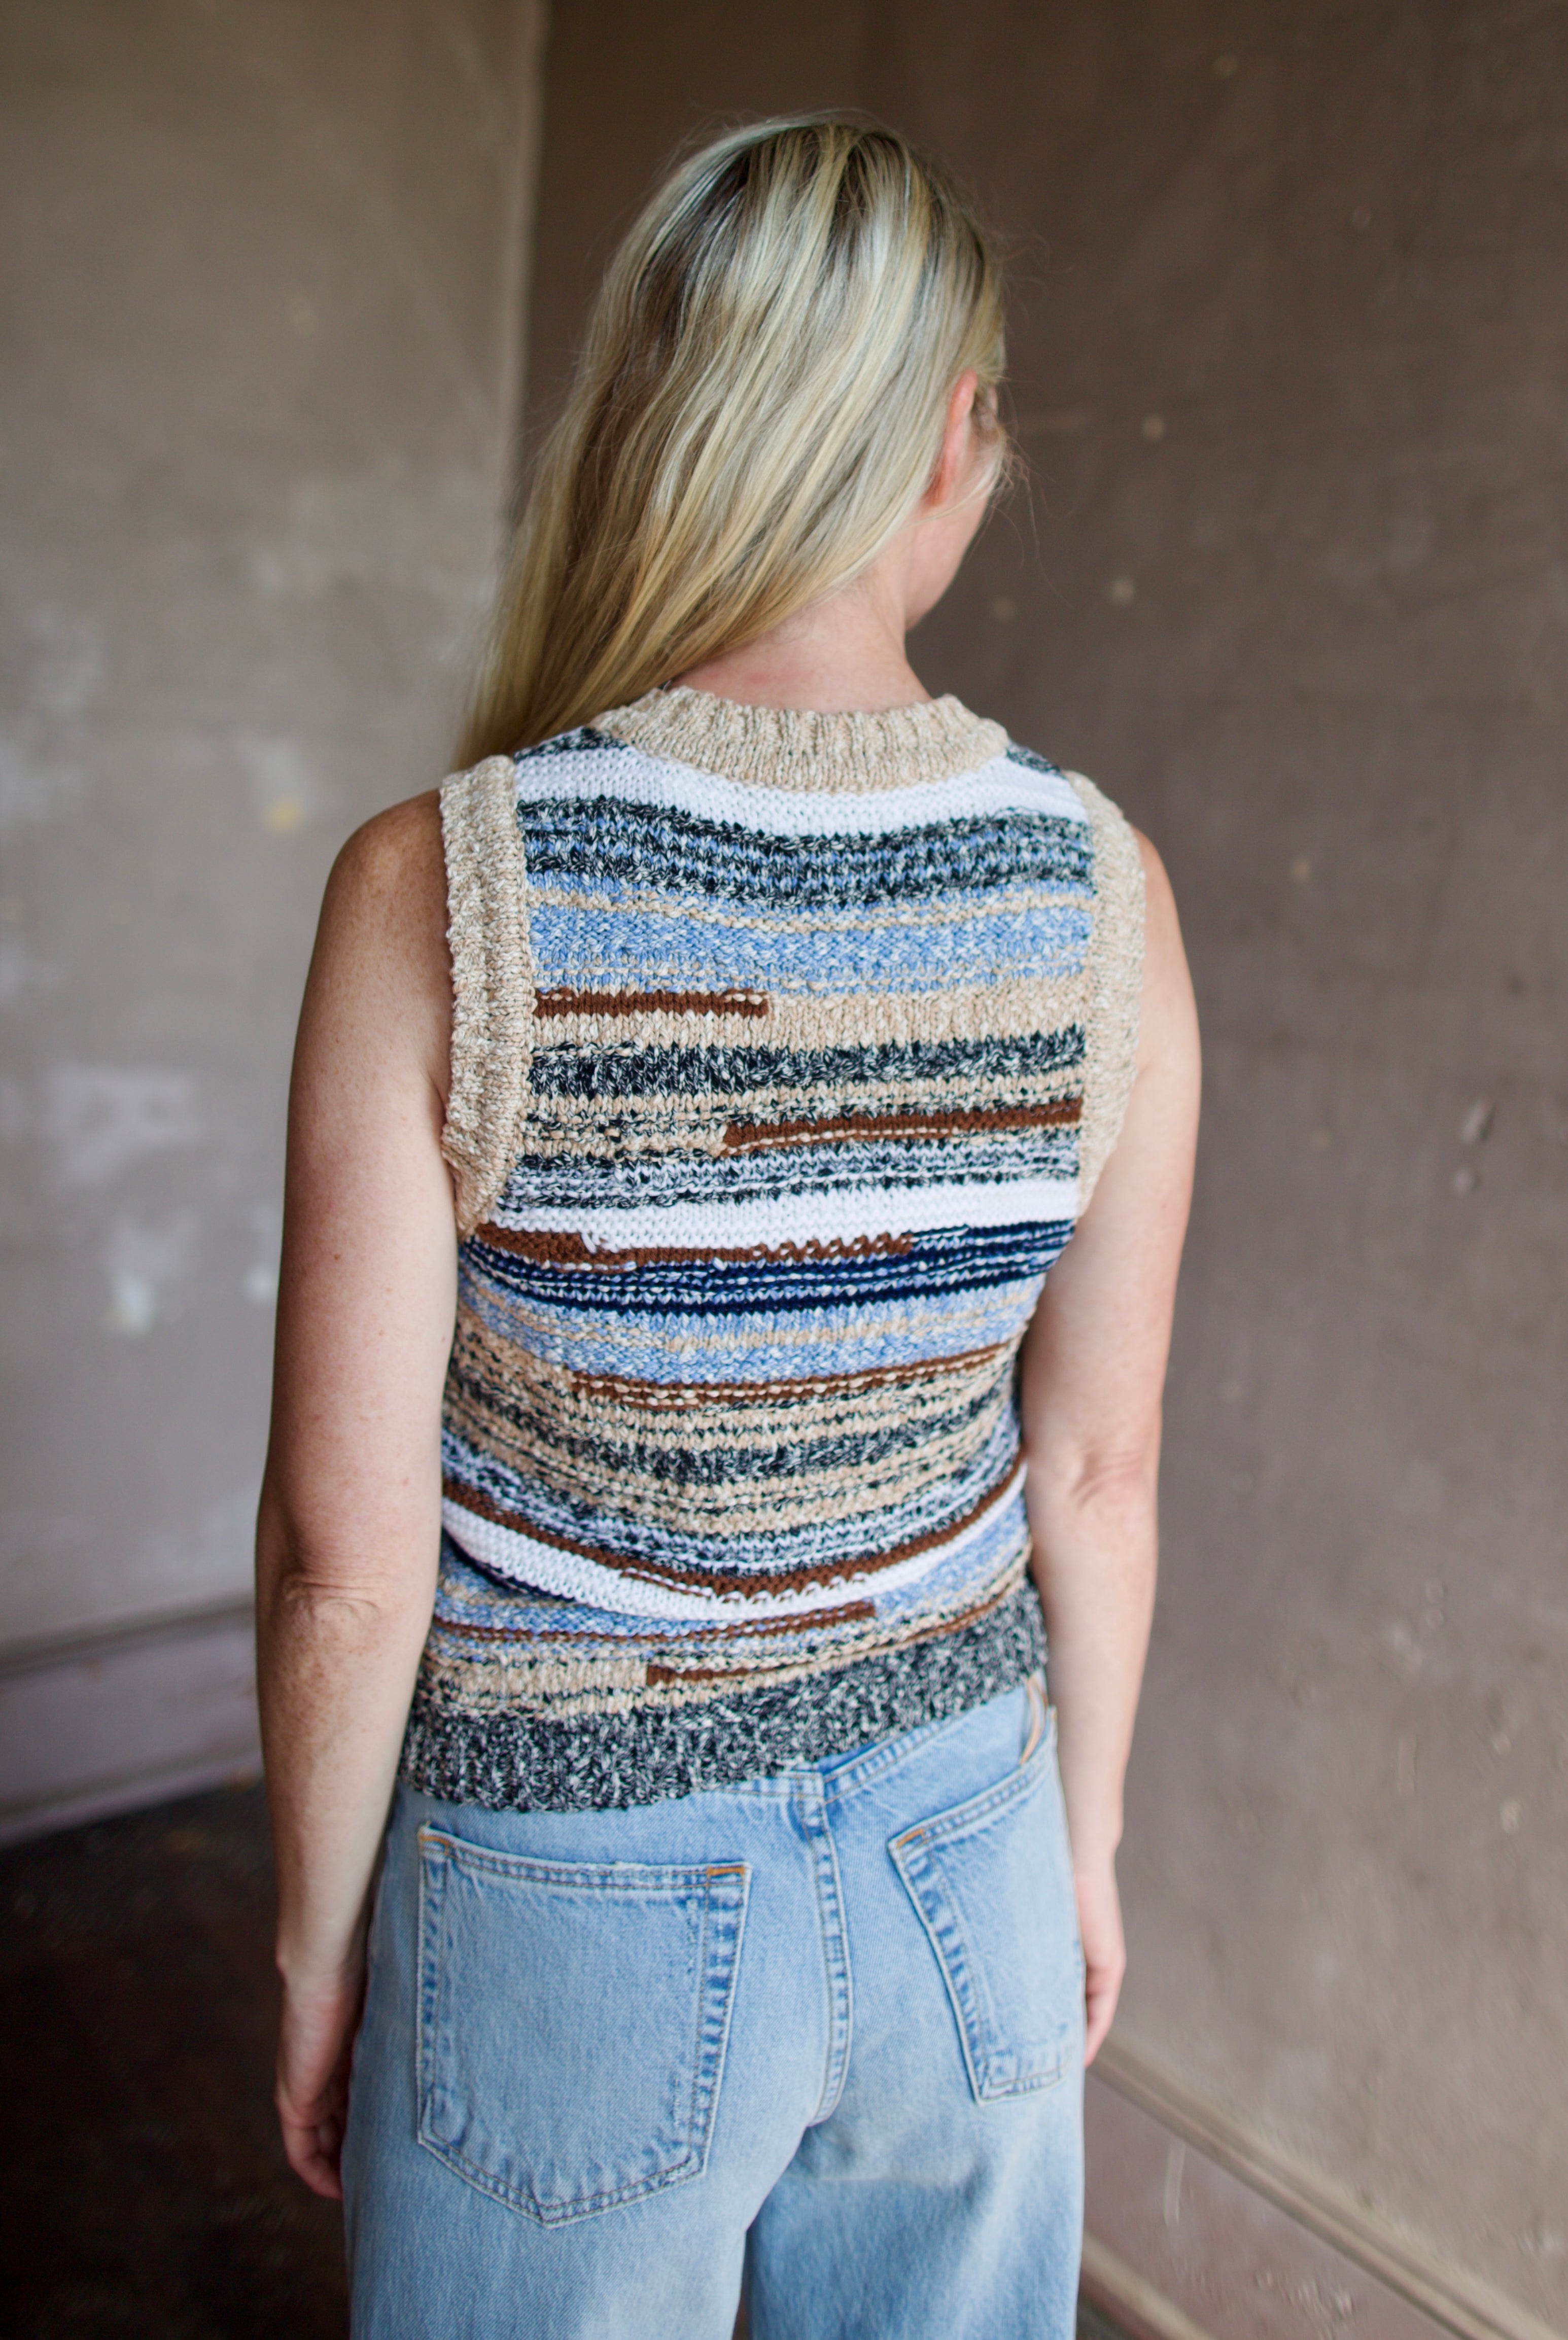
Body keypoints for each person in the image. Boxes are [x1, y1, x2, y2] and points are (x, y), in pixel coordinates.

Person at [257, 115, 1200, 2339]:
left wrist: (315, 1942)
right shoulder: (1102, 897)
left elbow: (347, 1554)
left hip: (562, 1883)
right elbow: (1099, 1467)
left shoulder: (444, 889)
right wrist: (1080, 1838)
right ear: (952, 438)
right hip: (960, 1848)